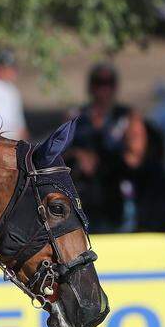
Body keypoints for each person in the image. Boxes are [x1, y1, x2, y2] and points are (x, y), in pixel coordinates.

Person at [66, 63, 147, 233]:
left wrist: (102, 160)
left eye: (108, 83)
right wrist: (79, 156)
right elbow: (60, 152)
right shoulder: (76, 116)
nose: (103, 89)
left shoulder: (127, 117)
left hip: (117, 195)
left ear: (115, 87)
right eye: (98, 82)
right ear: (90, 86)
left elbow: (135, 159)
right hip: (83, 196)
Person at [0, 50, 28, 141]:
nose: (10, 71)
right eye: (5, 67)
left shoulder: (13, 91)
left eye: (11, 67)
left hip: (13, 139)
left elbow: (20, 126)